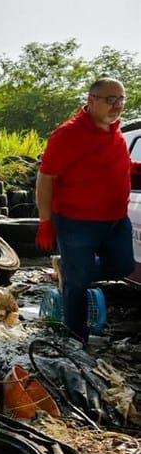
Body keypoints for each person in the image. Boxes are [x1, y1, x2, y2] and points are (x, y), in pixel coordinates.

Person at [35, 78, 135, 343]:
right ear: (91, 101)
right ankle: (76, 337)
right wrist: (46, 221)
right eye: (110, 99)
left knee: (122, 266)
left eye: (121, 99)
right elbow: (46, 179)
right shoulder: (67, 135)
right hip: (77, 222)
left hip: (115, 220)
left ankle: (70, 269)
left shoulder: (115, 132)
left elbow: (120, 166)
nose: (117, 106)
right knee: (78, 285)